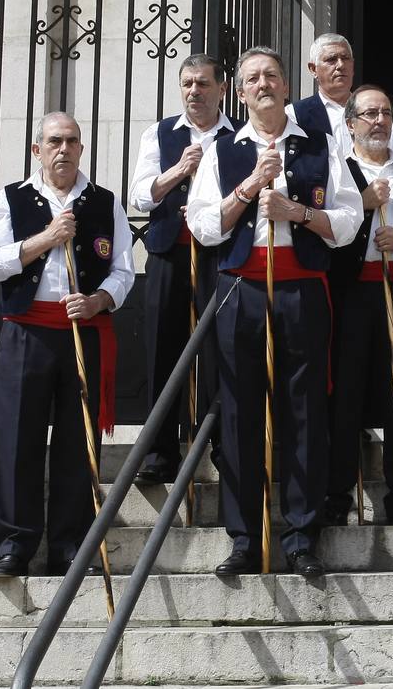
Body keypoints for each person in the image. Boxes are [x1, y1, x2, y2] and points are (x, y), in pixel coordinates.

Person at [187, 46, 363, 576]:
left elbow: (349, 221)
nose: (263, 84)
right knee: (239, 413)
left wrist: (297, 212)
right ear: (240, 94)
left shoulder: (322, 145)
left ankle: (301, 537)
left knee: (305, 411)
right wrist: (246, 188)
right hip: (240, 292)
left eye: (271, 76)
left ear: (288, 87)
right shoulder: (222, 152)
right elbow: (202, 226)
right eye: (252, 79)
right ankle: (244, 538)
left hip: (302, 291)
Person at [0, 112, 135, 577]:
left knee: (77, 441)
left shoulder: (105, 202)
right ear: (37, 150)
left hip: (82, 331)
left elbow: (124, 271)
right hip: (26, 331)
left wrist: (97, 302)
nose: (63, 149)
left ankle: (70, 545)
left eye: (71, 141)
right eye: (54, 141)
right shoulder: (12, 199)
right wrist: (45, 239)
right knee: (16, 439)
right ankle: (14, 545)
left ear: (82, 149)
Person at [129, 54, 238, 486]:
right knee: (163, 347)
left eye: (203, 84)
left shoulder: (238, 136)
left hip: (222, 254)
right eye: (188, 84)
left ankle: (223, 444)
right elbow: (139, 196)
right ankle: (159, 451)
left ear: (223, 88)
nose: (194, 92)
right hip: (171, 253)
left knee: (221, 348)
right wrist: (179, 170)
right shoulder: (160, 134)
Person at [323, 85, 393, 526]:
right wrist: (365, 207)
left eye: (386, 113)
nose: (379, 121)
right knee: (344, 393)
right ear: (350, 124)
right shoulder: (337, 170)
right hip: (350, 293)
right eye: (369, 113)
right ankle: (337, 495)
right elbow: (324, 230)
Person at [290, 32, 393, 159]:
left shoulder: (375, 110)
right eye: (331, 59)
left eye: (345, 58)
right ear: (313, 69)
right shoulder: (296, 114)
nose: (340, 65)